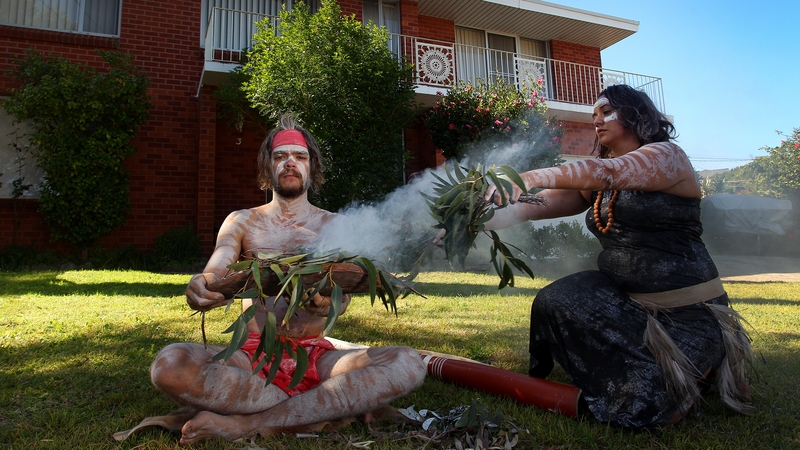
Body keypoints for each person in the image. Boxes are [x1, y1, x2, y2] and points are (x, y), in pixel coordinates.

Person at [114, 115, 426, 445]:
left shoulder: (335, 225)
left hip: (319, 360)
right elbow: (220, 263)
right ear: (268, 166)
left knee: (407, 363)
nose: (290, 163)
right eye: (280, 156)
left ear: (311, 167)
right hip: (251, 358)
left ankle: (248, 423)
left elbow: (342, 296)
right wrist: (203, 282)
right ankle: (322, 408)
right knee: (169, 365)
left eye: (300, 156)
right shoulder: (243, 221)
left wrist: (325, 304)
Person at [483, 84, 755, 431]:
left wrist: (526, 177)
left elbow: (612, 173)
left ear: (635, 113)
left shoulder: (666, 156)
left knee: (645, 402)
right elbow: (537, 206)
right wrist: (475, 218)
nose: (597, 120)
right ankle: (657, 372)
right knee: (556, 299)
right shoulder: (600, 174)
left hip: (685, 315)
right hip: (629, 307)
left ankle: (701, 366)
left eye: (607, 111)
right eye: (594, 115)